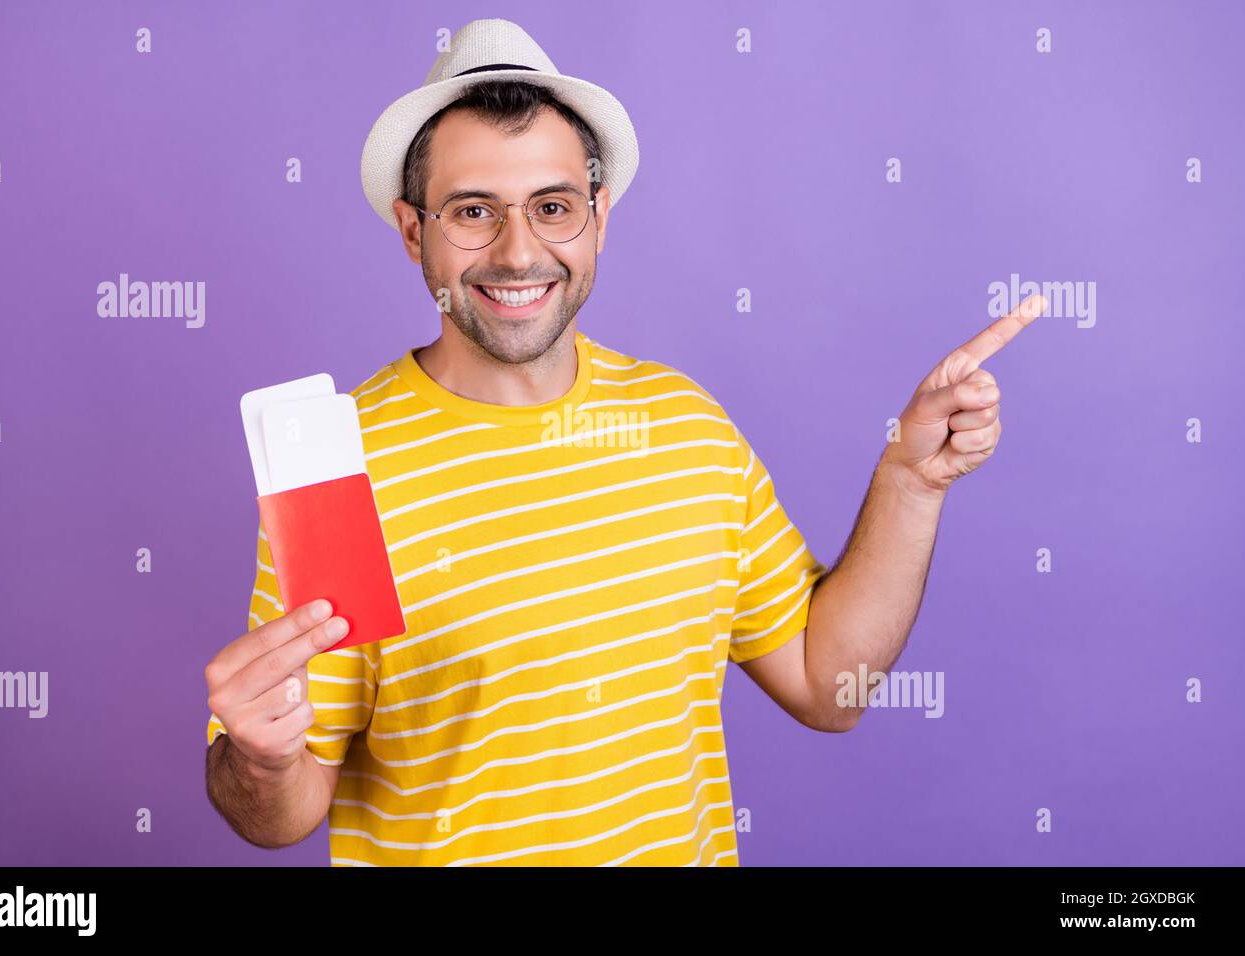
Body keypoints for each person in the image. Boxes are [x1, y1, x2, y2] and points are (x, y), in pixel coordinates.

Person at [203, 18, 1042, 866]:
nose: (519, 251)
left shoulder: (686, 426)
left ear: (599, 218)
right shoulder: (344, 468)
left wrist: (910, 484)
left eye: (553, 207)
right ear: (413, 230)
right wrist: (262, 757)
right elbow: (282, 813)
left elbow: (829, 688)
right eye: (471, 212)